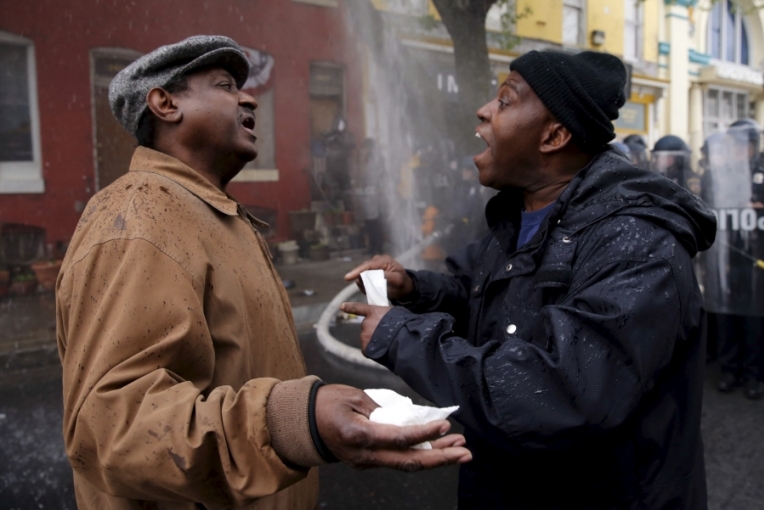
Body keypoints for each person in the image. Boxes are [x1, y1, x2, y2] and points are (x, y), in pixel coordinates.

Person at [55, 36, 470, 510]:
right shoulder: (142, 217)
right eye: (226, 85)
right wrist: (298, 421)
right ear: (165, 104)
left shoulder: (206, 213)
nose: (249, 97)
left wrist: (313, 423)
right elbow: (113, 429)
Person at [342, 50, 716, 509]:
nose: (483, 110)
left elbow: (562, 392)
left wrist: (403, 337)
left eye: (504, 100)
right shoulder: (520, 216)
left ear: (554, 135)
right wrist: (415, 289)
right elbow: (480, 297)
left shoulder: (639, 243)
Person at [700, 120, 764, 401]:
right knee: (725, 314)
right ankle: (729, 369)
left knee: (754, 317)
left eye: (744, 145)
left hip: (758, 256)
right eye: (734, 145)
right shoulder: (716, 174)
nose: (739, 150)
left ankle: (754, 374)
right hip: (725, 254)